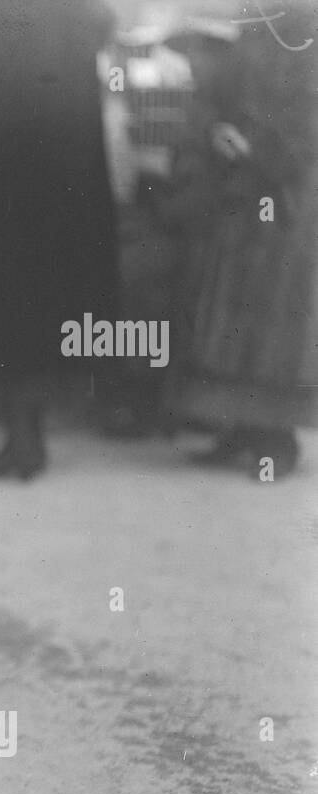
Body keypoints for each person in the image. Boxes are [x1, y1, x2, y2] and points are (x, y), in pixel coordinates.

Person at [0, 0, 118, 479]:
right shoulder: (79, 17)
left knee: (9, 309)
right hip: (66, 187)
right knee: (43, 310)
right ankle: (27, 436)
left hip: (6, 182)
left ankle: (21, 441)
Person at [168, 4, 317, 478]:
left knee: (277, 318)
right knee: (231, 310)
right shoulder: (254, 26)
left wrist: (262, 147)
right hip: (240, 189)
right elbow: (217, 95)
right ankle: (238, 427)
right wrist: (216, 130)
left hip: (289, 196)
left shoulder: (306, 31)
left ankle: (277, 437)